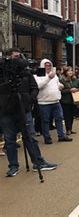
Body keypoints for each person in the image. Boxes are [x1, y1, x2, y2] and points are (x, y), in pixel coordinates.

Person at [0, 48, 57, 177]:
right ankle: (13, 166)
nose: (18, 60)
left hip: (23, 110)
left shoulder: (25, 73)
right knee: (10, 140)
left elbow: (34, 87)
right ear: (7, 58)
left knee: (30, 137)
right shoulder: (2, 73)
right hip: (6, 111)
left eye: (20, 57)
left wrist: (30, 100)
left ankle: (38, 162)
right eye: (15, 57)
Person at [34, 59, 73, 144]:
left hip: (56, 101)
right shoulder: (38, 75)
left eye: (49, 65)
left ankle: (61, 136)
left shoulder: (54, 75)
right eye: (46, 65)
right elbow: (39, 86)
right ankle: (47, 138)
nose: (48, 67)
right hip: (44, 102)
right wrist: (48, 78)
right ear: (42, 66)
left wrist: (60, 85)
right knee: (45, 121)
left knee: (59, 119)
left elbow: (56, 83)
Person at [60, 66, 79, 135]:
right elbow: (61, 91)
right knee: (67, 116)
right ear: (65, 72)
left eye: (71, 71)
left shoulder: (76, 80)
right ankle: (68, 130)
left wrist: (77, 89)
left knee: (72, 115)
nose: (70, 72)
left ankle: (70, 128)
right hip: (65, 101)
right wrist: (70, 90)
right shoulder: (61, 81)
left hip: (74, 100)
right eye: (68, 71)